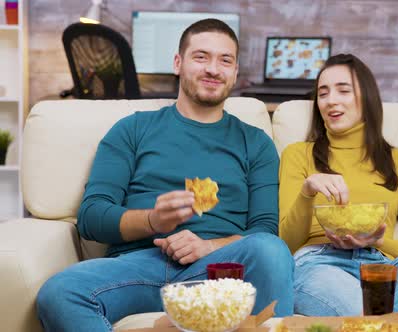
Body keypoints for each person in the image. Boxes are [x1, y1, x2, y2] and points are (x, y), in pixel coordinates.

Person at [36, 19, 294, 331]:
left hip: (222, 271)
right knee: (60, 292)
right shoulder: (132, 129)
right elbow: (91, 217)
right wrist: (152, 220)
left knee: (270, 249)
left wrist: (209, 247)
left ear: (235, 72)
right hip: (141, 267)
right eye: (201, 57)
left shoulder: (255, 143)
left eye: (225, 60)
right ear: (178, 63)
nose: (213, 69)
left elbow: (265, 231)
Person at [278, 53, 398, 316]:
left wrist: (379, 242)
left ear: (367, 97)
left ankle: (382, 314)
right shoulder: (298, 155)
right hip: (318, 263)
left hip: (382, 269)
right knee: (368, 308)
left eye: (343, 90)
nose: (330, 100)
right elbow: (285, 245)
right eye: (322, 93)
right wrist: (307, 191)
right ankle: (390, 314)